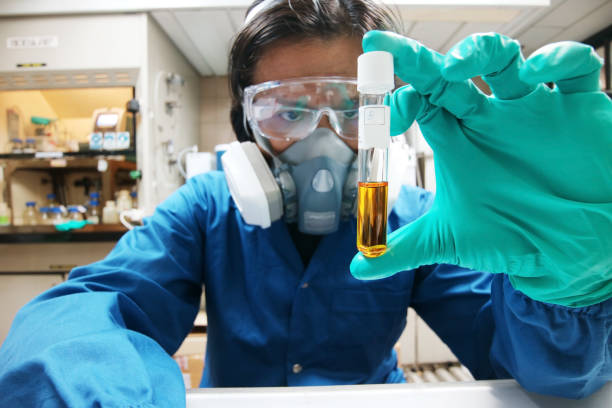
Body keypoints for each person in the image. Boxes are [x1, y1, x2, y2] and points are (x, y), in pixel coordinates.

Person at [0, 0, 610, 406]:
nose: (322, 137)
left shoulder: (421, 223)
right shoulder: (208, 208)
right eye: (286, 109)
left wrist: (566, 289)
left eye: (350, 107)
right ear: (246, 122)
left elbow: (540, 374)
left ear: (385, 116)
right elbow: (82, 313)